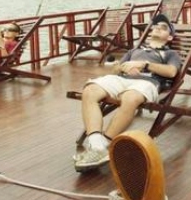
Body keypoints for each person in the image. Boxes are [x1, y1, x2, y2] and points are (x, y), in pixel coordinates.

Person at [73, 13, 181, 172]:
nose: (158, 28)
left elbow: (171, 72)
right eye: (155, 26)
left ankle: (103, 145)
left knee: (130, 98)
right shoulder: (134, 50)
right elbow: (116, 70)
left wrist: (144, 65)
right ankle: (97, 145)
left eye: (163, 28)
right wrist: (122, 67)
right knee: (90, 90)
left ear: (169, 37)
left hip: (147, 82)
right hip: (122, 78)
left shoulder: (171, 54)